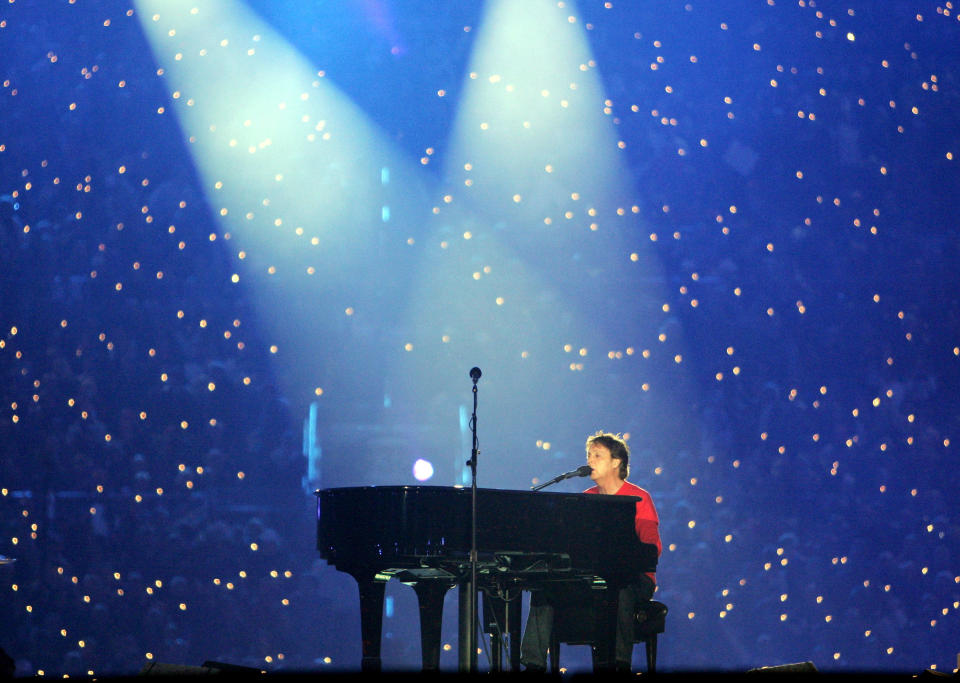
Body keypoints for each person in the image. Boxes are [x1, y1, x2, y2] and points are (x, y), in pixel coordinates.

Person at [519, 431, 662, 672]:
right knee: (544, 589)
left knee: (621, 589)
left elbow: (651, 547)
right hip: (590, 577)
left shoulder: (639, 498)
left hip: (633, 579)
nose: (590, 461)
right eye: (588, 455)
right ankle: (533, 665)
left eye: (597, 455)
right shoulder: (585, 500)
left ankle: (618, 665)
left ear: (616, 462)